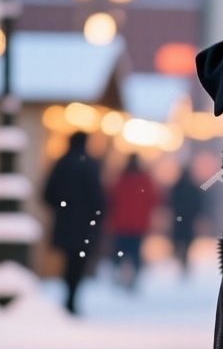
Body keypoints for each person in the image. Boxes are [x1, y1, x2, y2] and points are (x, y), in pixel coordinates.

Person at [42, 131, 106, 314]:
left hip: (65, 223)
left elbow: (47, 194)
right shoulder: (90, 165)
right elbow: (98, 198)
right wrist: (96, 218)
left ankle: (69, 297)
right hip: (85, 225)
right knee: (78, 263)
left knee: (68, 261)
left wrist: (63, 206)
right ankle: (71, 298)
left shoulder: (62, 163)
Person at [106, 153, 160, 291]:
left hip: (121, 223)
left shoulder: (120, 179)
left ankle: (119, 274)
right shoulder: (145, 180)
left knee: (120, 251)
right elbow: (153, 199)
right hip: (138, 224)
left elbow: (111, 199)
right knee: (135, 252)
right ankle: (133, 277)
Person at [168, 161, 202, 277]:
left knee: (178, 239)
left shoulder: (177, 186)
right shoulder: (193, 187)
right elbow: (199, 203)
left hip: (178, 219)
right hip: (188, 220)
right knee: (187, 241)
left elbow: (171, 201)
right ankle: (184, 260)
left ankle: (180, 258)